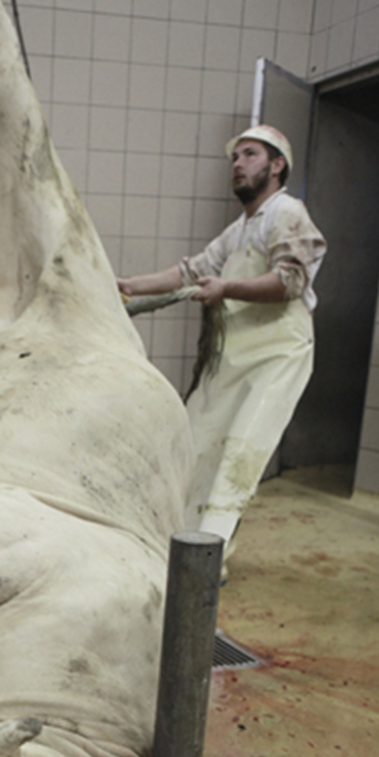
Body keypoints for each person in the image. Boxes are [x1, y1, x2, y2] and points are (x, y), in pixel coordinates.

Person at [118, 126, 327, 562]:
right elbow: (190, 273)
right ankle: (177, 544)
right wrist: (129, 287)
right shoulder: (240, 229)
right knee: (193, 444)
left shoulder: (286, 212)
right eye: (235, 157)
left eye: (250, 155)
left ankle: (207, 561)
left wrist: (227, 287)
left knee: (239, 455)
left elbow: (289, 280)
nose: (237, 164)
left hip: (277, 355)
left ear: (277, 165)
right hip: (234, 356)